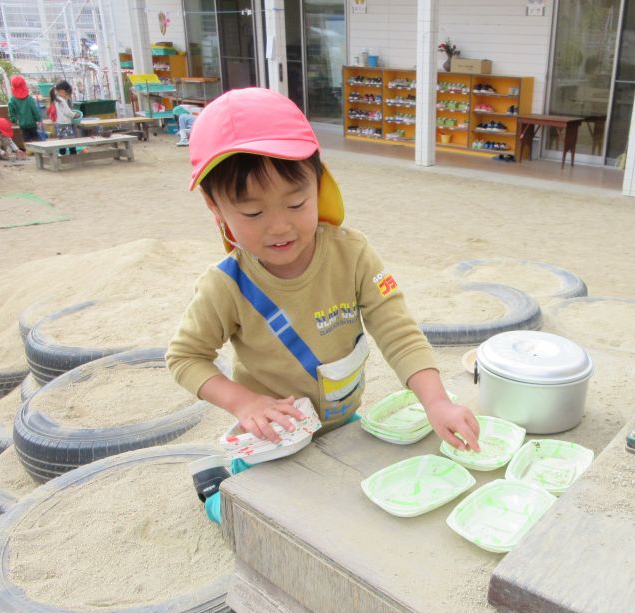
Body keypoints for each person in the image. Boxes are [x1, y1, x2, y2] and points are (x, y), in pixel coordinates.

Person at [166, 88, 480, 514]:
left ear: (319, 183)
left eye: (296, 202)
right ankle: (213, 491)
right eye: (253, 214)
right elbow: (185, 358)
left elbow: (397, 330)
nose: (280, 227)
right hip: (272, 438)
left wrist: (437, 400)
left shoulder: (351, 254)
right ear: (214, 206)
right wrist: (246, 402)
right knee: (263, 522)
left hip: (341, 420)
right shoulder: (225, 286)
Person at [7, 75, 42, 143]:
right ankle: (37, 152)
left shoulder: (12, 100)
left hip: (22, 124)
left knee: (26, 140)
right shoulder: (29, 99)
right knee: (36, 139)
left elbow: (11, 112)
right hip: (32, 123)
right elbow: (34, 110)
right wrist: (38, 119)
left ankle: (29, 152)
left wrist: (14, 120)